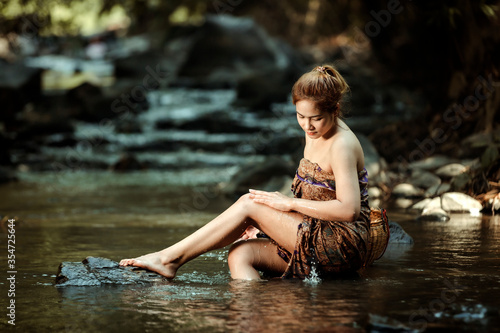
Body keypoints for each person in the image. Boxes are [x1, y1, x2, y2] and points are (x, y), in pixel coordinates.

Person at [120, 64, 372, 280]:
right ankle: (259, 315)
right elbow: (313, 194)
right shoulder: (314, 132)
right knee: (240, 254)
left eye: (315, 118)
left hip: (341, 244)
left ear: (335, 109)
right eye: (300, 116)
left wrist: (286, 204)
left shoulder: (341, 145)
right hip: (312, 233)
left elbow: (348, 210)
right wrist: (268, 226)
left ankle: (168, 259)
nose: (307, 125)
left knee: (248, 204)